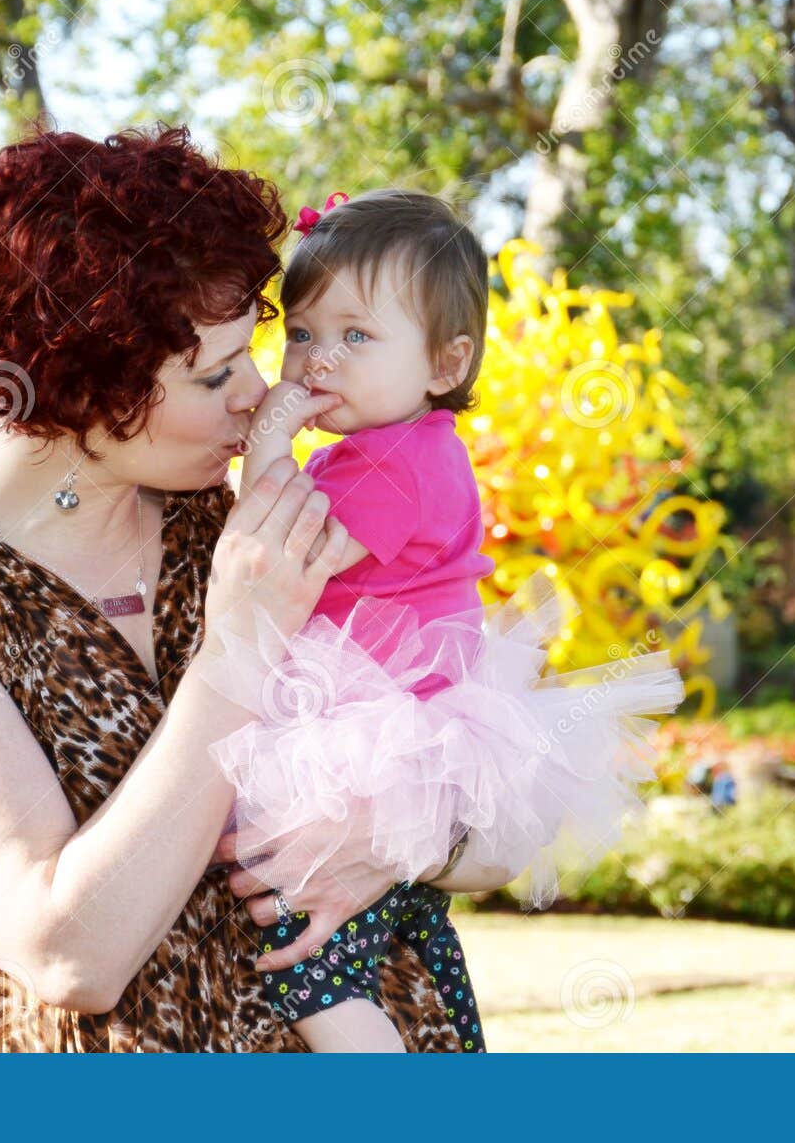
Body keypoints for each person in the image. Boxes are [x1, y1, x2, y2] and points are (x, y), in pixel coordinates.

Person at [0, 126, 514, 1052]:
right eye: (216, 372)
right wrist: (237, 648)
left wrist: (401, 843)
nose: (263, 393)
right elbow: (72, 954)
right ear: (84, 384)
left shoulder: (251, 525)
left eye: (255, 351)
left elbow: (511, 824)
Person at [206, 188, 686, 1052]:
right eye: (305, 333)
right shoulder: (392, 450)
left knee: (305, 959)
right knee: (401, 931)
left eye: (357, 336)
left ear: (443, 363)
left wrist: (270, 441)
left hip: (382, 736)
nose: (318, 361)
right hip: (398, 725)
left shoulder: (397, 463)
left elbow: (285, 551)